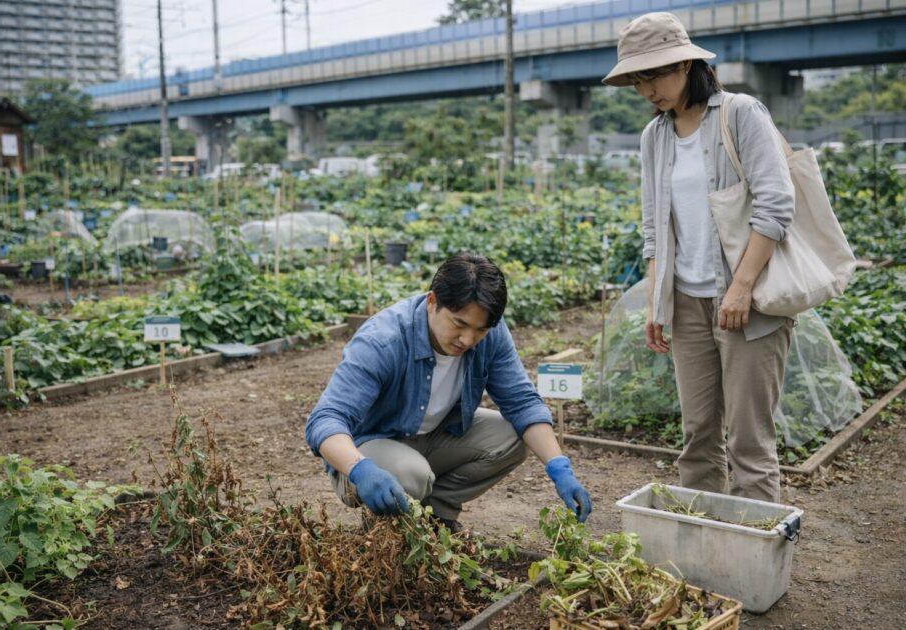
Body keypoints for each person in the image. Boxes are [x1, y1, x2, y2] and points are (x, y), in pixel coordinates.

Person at [603, 12, 794, 503]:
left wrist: (742, 286)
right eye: (637, 79)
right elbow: (654, 229)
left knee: (750, 441)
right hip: (687, 301)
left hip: (746, 300)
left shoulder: (740, 114)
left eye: (656, 74)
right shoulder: (655, 137)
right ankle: (706, 547)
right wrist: (656, 303)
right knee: (698, 437)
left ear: (687, 64)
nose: (647, 89)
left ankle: (753, 556)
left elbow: (776, 206)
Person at [305, 253, 592, 529]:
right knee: (411, 473)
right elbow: (325, 420)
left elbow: (522, 403)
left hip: (432, 434)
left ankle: (435, 516)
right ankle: (387, 530)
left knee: (513, 438)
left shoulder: (490, 334)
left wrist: (559, 467)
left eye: (480, 330)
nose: (468, 339)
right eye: (459, 324)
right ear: (432, 301)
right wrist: (359, 470)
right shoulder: (383, 340)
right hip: (369, 448)